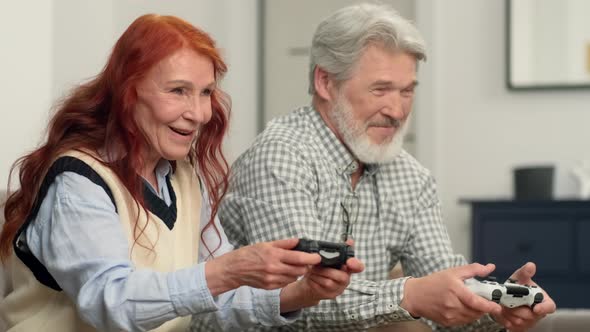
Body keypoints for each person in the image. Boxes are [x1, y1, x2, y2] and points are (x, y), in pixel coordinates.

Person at [191, 3, 556, 331]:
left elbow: (441, 286)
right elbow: (305, 297)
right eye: (380, 90)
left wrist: (496, 308)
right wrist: (410, 295)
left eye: (407, 91)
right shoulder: (280, 157)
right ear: (325, 81)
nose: (397, 111)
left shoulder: (410, 177)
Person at [0, 14, 364, 332]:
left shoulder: (184, 176)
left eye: (206, 92)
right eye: (178, 91)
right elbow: (111, 303)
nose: (200, 113)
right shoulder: (78, 181)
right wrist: (228, 270)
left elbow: (213, 299)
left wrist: (301, 293)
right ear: (128, 92)